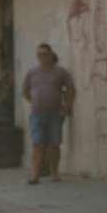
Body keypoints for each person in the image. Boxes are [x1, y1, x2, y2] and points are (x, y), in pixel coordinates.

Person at [22, 43, 75, 185]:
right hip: (37, 114)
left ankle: (54, 173)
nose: (42, 57)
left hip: (55, 114)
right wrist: (35, 101)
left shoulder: (60, 72)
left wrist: (67, 106)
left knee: (54, 144)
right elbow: (25, 92)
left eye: (45, 54)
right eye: (39, 55)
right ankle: (34, 175)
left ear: (51, 55)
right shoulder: (32, 72)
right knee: (37, 143)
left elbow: (70, 89)